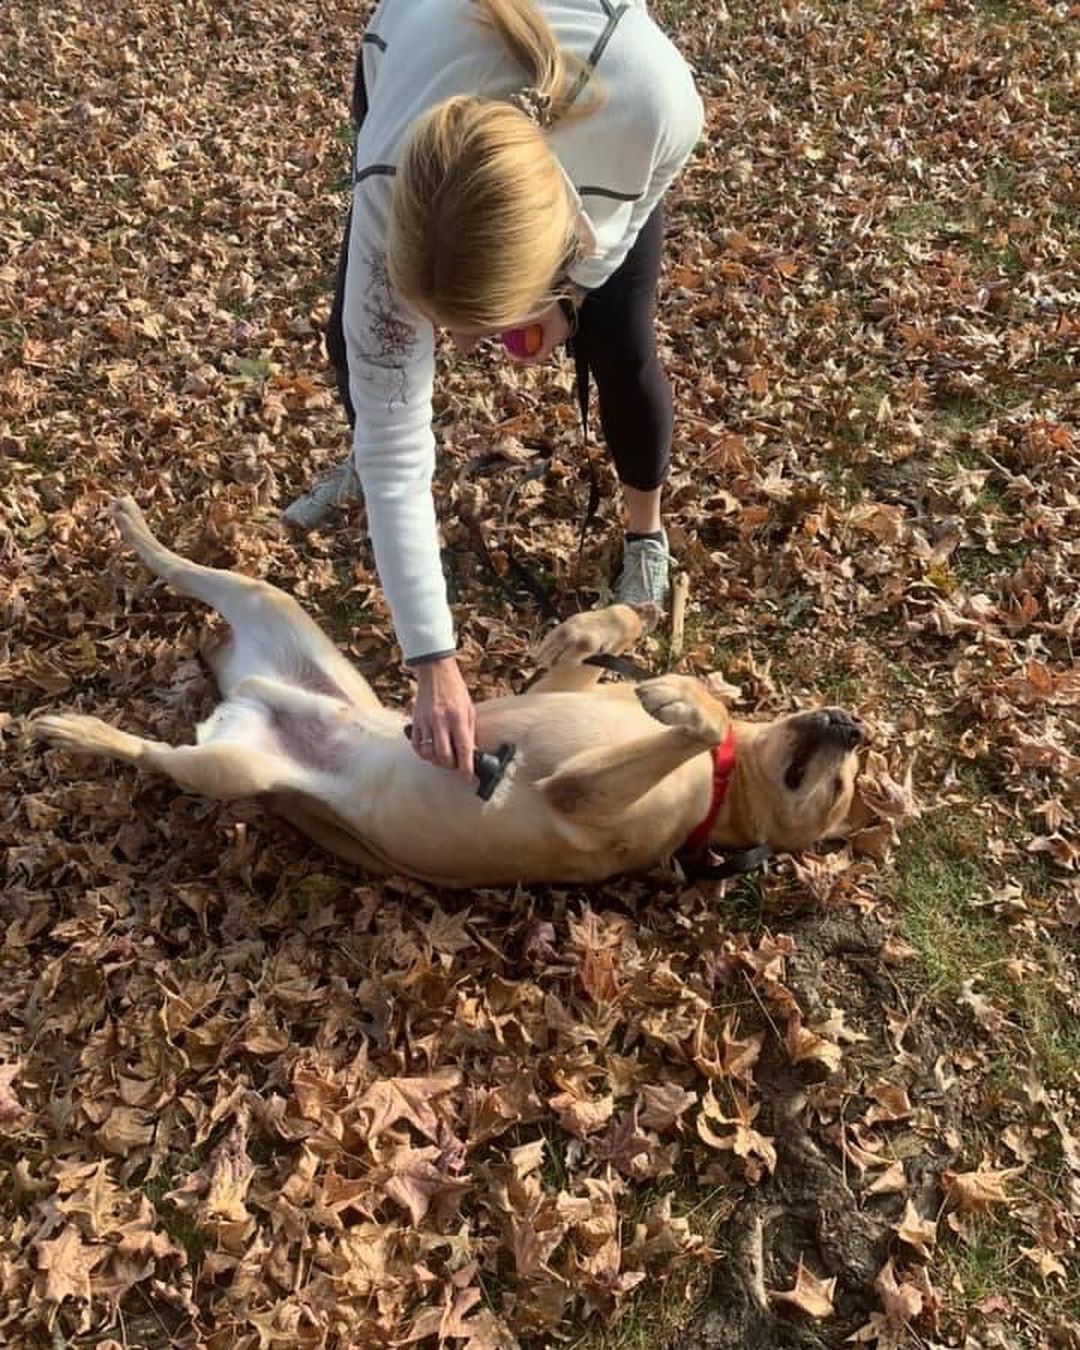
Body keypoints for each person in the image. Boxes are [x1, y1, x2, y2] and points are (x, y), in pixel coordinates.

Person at [283, 0, 703, 777]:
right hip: (412, 49)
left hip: (604, 129)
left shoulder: (656, 103)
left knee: (621, 345)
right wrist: (432, 659)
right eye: (450, 331)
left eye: (477, 328)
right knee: (360, 347)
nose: (468, 352)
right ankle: (355, 470)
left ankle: (645, 531)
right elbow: (400, 440)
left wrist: (572, 297)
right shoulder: (388, 185)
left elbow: (618, 234)